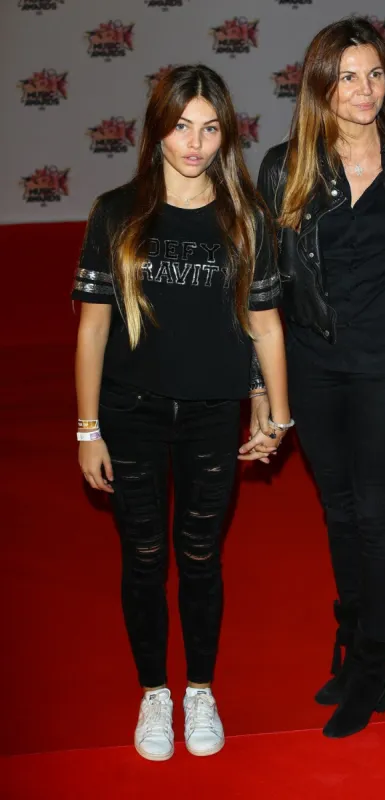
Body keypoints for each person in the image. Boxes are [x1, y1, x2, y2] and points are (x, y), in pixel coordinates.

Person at [241, 16, 385, 738]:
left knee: (376, 516)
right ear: (320, 84)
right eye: (346, 75)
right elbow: (264, 290)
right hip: (314, 363)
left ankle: (373, 662)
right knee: (337, 512)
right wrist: (261, 386)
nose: (363, 89)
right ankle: (355, 631)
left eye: (374, 74)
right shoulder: (285, 166)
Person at [73, 65, 291, 761]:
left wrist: (275, 415)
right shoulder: (116, 212)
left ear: (225, 135)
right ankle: (153, 694)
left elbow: (264, 326)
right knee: (143, 557)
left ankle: (198, 688)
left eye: (209, 128)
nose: (193, 142)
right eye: (180, 126)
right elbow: (92, 331)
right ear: (157, 129)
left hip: (209, 414)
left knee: (199, 558)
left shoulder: (246, 217)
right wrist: (87, 429)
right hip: (129, 412)